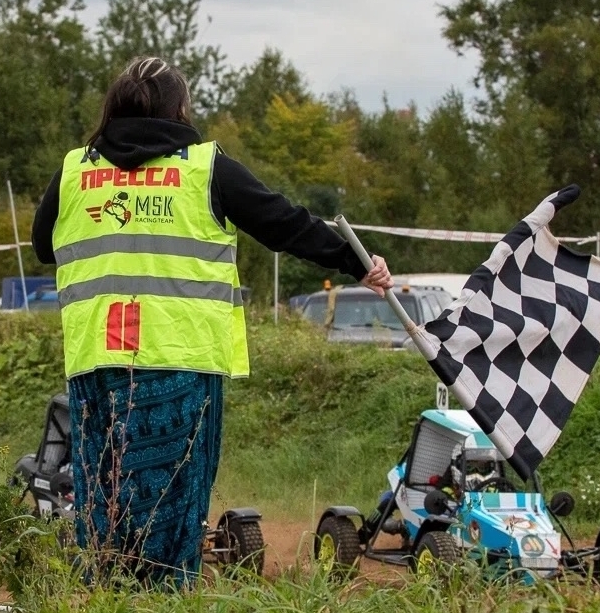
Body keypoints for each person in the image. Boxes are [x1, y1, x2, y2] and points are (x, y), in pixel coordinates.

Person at [31, 56, 393, 587]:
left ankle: (104, 593)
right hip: (179, 362)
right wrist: (354, 260)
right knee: (171, 502)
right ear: (179, 108)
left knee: (102, 495)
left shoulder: (74, 171)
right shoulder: (203, 166)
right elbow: (282, 223)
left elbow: (44, 246)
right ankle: (161, 594)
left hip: (98, 364)